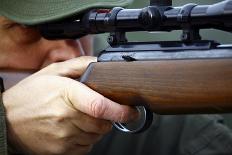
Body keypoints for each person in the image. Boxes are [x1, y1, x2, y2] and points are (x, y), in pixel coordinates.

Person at [0, 0, 232, 155]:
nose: (70, 53)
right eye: (26, 31)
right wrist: (6, 131)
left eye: (80, 25)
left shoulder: (152, 114)